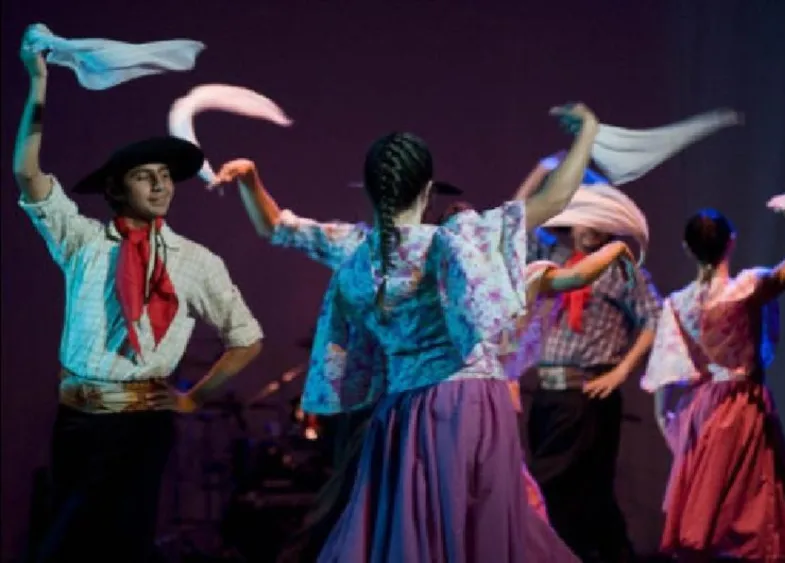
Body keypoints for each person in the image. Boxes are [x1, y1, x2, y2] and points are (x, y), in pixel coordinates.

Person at [210, 103, 600, 561]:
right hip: (468, 401)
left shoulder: (359, 250)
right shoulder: (456, 242)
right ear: (428, 190)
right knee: (479, 530)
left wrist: (251, 180)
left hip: (401, 410)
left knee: (413, 532)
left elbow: (278, 228)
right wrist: (587, 133)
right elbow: (552, 201)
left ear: (370, 191)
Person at [13, 48, 264, 563]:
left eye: (166, 175)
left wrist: (194, 397)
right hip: (77, 421)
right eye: (144, 175)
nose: (160, 184)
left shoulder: (195, 261)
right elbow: (26, 173)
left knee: (125, 547)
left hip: (141, 425)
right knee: (66, 546)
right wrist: (38, 82)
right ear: (114, 188)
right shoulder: (84, 241)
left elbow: (247, 338)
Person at [640, 205, 785, 561]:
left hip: (701, 410)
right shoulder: (748, 288)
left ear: (687, 248)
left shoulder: (679, 304)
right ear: (731, 242)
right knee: (753, 504)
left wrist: (665, 420)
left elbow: (666, 370)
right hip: (742, 406)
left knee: (708, 506)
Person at [512, 159, 661, 563]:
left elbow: (653, 317)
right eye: (586, 216)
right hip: (548, 394)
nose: (593, 227)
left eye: (601, 219)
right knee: (575, 496)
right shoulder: (552, 256)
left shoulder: (619, 267)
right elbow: (515, 223)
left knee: (567, 488)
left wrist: (622, 370)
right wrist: (541, 170)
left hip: (588, 394)